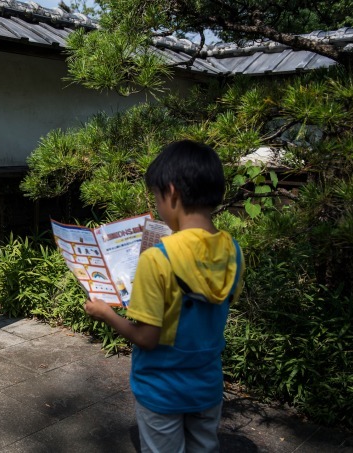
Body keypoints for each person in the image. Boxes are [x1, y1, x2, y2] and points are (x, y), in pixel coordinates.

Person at [84, 140, 244, 452]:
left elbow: (147, 338)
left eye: (157, 197)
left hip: (162, 389)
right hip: (207, 385)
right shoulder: (233, 251)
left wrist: (106, 313)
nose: (158, 206)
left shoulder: (158, 259)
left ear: (171, 192)